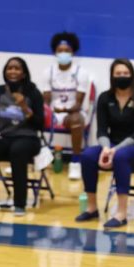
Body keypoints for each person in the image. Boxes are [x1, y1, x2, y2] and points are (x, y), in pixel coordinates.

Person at [75, 58, 134, 228]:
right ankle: (91, 208)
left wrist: (113, 150)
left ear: (132, 75)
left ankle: (121, 213)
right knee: (88, 155)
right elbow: (101, 130)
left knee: (121, 156)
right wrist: (105, 148)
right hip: (111, 146)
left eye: (125, 73)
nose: (122, 76)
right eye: (118, 73)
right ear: (112, 76)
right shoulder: (105, 98)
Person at [0, 57, 45, 217]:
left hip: (28, 138)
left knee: (18, 150)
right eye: (9, 68)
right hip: (4, 136)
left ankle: (20, 204)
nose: (13, 71)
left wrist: (25, 107)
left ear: (24, 73)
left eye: (17, 68)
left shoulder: (33, 92)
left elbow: (41, 125)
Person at [40, 31, 92, 180]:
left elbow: (78, 103)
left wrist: (65, 109)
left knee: (76, 120)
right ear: (54, 52)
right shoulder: (48, 72)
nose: (63, 53)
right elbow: (46, 100)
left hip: (73, 113)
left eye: (67, 51)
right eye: (60, 51)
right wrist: (47, 111)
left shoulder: (81, 72)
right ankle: (36, 157)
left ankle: (75, 162)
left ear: (73, 52)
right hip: (54, 112)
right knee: (33, 116)